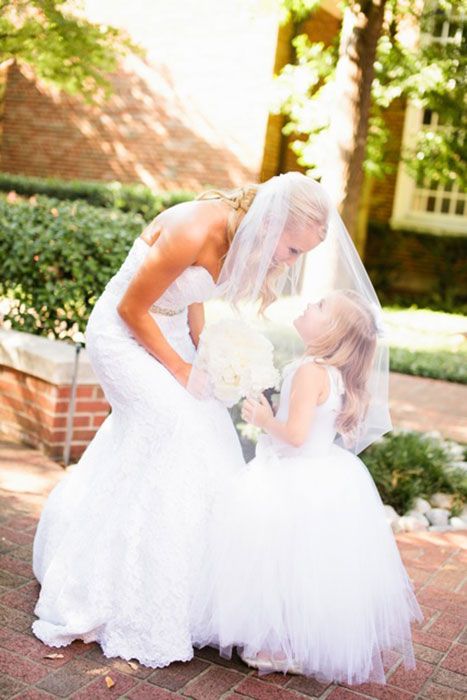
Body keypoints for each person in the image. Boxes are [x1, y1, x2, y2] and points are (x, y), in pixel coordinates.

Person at [31, 172, 331, 668]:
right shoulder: (195, 226)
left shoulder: (242, 237)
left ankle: (195, 589)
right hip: (122, 336)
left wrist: (203, 354)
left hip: (167, 333)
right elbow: (131, 307)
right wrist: (179, 367)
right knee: (175, 425)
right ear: (274, 221)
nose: (290, 261)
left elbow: (191, 298)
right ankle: (115, 585)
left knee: (210, 425)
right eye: (293, 249)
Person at [190, 289, 424, 685]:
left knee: (274, 558)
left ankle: (276, 644)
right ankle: (297, 638)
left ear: (330, 332)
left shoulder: (309, 371)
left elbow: (295, 435)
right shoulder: (331, 373)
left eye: (319, 307)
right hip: (325, 474)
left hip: (293, 473)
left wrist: (263, 418)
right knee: (306, 566)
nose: (308, 305)